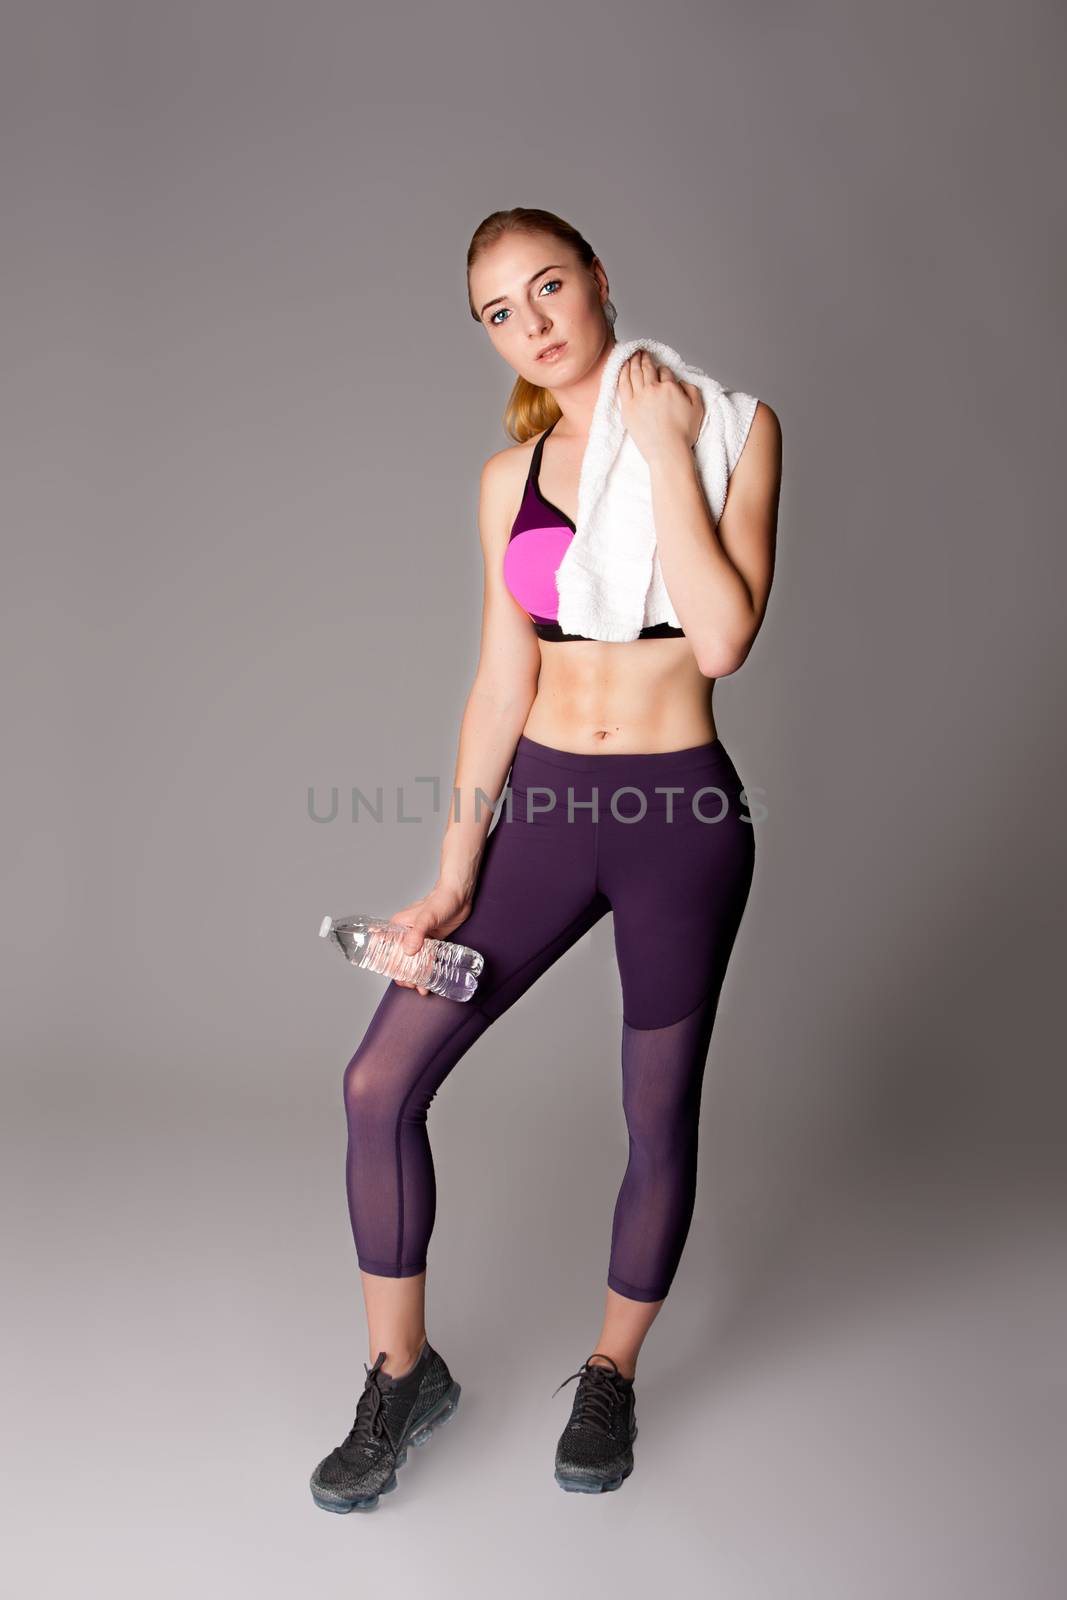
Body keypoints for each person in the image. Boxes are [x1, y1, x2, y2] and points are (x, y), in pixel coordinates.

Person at [310, 207, 782, 1511]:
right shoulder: (502, 480)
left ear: (600, 281)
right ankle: (403, 1375)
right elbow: (501, 677)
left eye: (550, 286)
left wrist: (668, 450)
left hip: (680, 821)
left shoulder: (735, 428)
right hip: (547, 818)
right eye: (502, 313)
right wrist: (459, 867)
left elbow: (727, 637)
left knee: (654, 1114)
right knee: (377, 1083)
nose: (533, 323)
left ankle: (612, 1368)